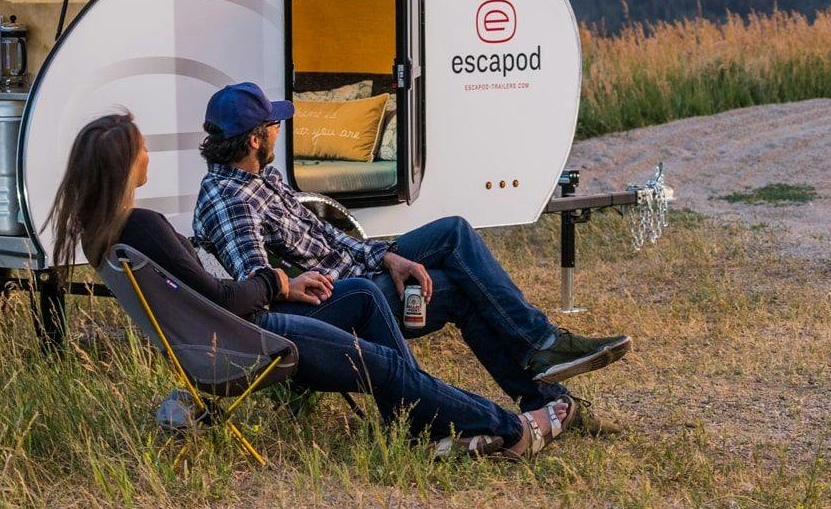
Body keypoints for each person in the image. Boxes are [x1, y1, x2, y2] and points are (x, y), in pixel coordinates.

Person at [48, 112, 569, 459]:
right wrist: (277, 281)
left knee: (368, 297)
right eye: (140, 148)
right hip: (250, 336)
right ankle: (513, 429)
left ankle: (424, 430)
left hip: (225, 334)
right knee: (386, 359)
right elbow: (224, 298)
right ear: (124, 164)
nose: (147, 155)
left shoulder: (109, 236)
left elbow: (210, 292)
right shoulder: (144, 227)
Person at [191, 82, 631, 434]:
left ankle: (541, 365)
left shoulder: (259, 176)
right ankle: (539, 370)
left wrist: (386, 257)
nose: (279, 129)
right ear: (254, 139)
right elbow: (255, 284)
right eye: (273, 125)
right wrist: (294, 281)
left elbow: (326, 235)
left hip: (357, 270)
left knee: (453, 237)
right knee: (456, 271)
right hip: (335, 302)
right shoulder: (231, 200)